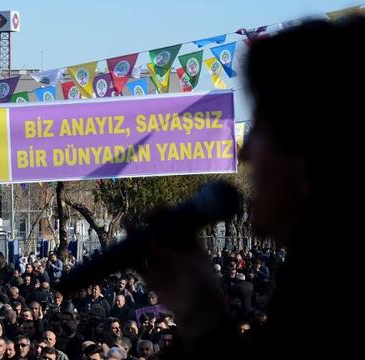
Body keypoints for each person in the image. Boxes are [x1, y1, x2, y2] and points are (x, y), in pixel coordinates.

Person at [131, 16, 363, 360]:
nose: (245, 150)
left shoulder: (329, 301)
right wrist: (204, 319)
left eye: (262, 128)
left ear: (310, 152)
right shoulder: (310, 280)